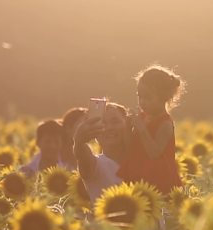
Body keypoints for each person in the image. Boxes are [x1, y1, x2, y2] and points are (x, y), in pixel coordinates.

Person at [117, 65, 185, 195]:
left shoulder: (165, 123)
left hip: (159, 182)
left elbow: (154, 153)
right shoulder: (143, 118)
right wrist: (127, 127)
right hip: (138, 176)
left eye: (147, 97)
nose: (142, 101)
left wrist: (142, 129)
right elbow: (130, 146)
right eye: (140, 96)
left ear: (164, 97)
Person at [73, 102, 129, 203]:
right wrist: (79, 141)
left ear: (127, 123)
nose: (109, 127)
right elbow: (82, 155)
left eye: (115, 121)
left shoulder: (142, 158)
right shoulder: (96, 165)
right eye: (102, 123)